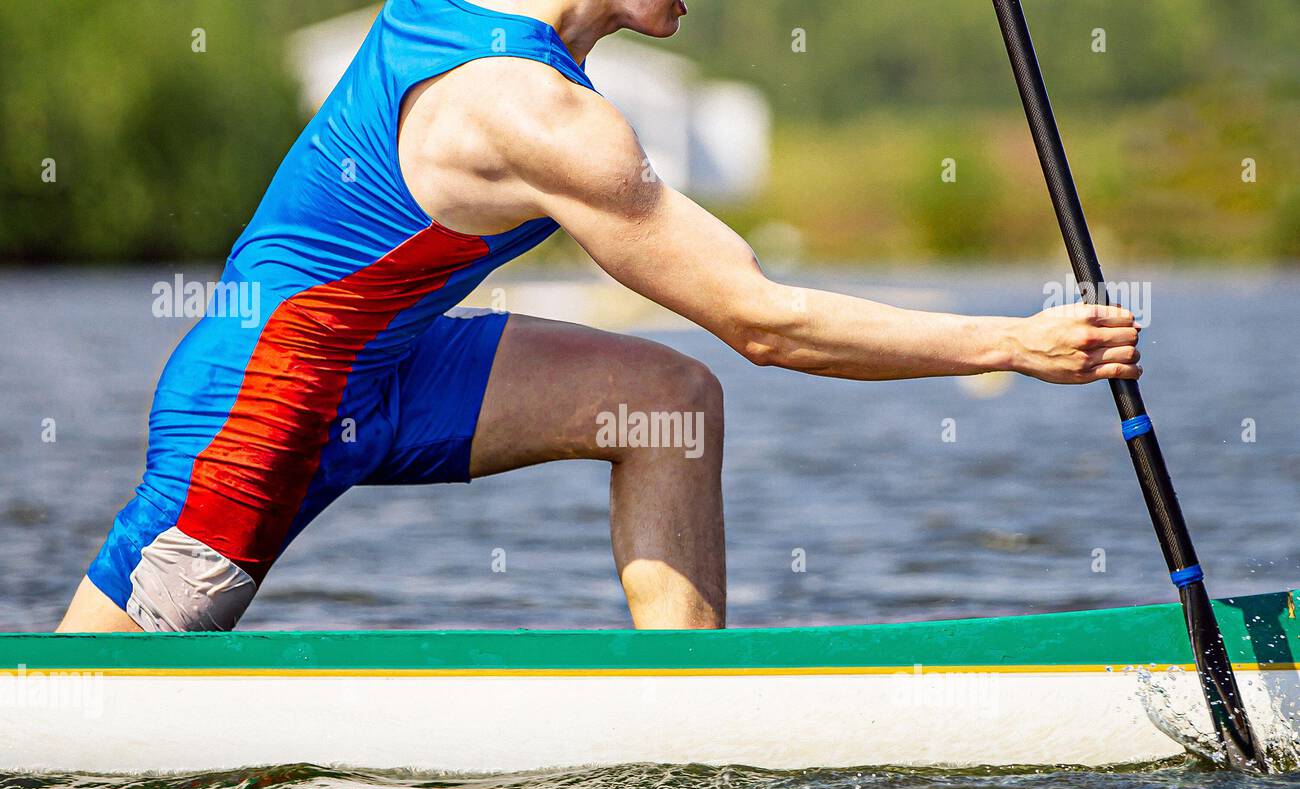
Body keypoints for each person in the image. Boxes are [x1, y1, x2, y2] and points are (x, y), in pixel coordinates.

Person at [58, 0, 1140, 633]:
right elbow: (764, 320)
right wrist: (1010, 341)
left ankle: (677, 707)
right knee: (101, 711)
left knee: (663, 400)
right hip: (258, 417)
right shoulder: (540, 117)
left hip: (392, 368)